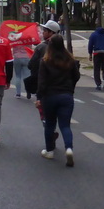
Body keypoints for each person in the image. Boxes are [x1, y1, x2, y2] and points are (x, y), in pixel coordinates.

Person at [35, 34, 80, 166]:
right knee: (65, 125)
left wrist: (39, 97)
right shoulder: (70, 60)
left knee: (50, 124)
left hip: (50, 96)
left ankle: (49, 151)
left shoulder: (45, 61)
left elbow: (41, 83)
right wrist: (70, 88)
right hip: (66, 96)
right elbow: (76, 76)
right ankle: (69, 149)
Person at [88, 25, 104, 90]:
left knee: (96, 69)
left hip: (97, 52)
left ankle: (98, 84)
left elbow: (90, 45)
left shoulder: (93, 35)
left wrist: (90, 54)